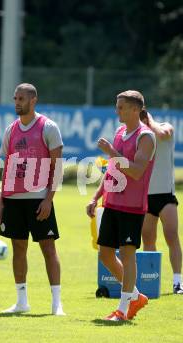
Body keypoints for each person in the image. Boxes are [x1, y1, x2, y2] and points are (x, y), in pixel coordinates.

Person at [0, 83, 65, 316]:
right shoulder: (10, 130)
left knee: (48, 248)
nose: (17, 102)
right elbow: (6, 168)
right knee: (18, 248)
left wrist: (49, 199)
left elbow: (57, 167)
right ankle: (21, 301)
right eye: (15, 98)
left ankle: (57, 304)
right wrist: (1, 202)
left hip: (39, 199)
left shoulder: (48, 127)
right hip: (14, 200)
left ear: (33, 101)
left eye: (21, 98)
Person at [86, 90, 156, 321]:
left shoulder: (146, 137)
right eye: (117, 106)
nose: (117, 111)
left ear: (135, 109)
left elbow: (136, 171)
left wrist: (111, 153)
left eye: (121, 107)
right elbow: (112, 172)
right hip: (112, 203)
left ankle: (123, 310)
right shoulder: (119, 132)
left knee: (127, 255)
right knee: (105, 255)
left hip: (133, 207)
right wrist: (96, 197)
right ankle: (135, 297)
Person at [140, 111, 182, 294]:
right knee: (148, 240)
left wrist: (149, 121)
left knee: (171, 235)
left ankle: (178, 282)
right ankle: (150, 281)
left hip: (165, 195)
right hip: (145, 196)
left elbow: (163, 134)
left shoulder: (165, 127)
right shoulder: (138, 137)